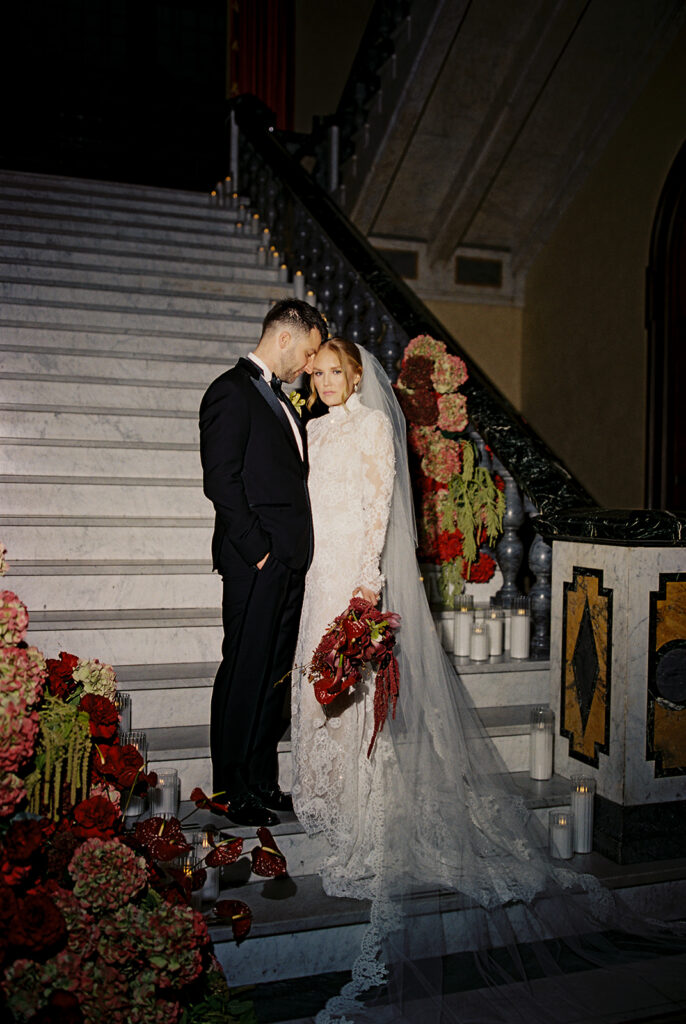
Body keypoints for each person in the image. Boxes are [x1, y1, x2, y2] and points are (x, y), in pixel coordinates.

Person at [292, 339, 683, 1024]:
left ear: (356, 376)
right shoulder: (315, 427)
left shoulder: (373, 425)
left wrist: (365, 592)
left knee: (355, 695)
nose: (326, 383)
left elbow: (380, 512)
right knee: (314, 684)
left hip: (352, 579)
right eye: (318, 373)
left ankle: (362, 802)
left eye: (336, 372)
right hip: (313, 577)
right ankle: (325, 791)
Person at [199, 298, 327, 827]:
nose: (310, 365)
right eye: (310, 351)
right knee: (245, 671)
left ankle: (262, 781)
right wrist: (258, 552)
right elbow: (221, 481)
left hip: (287, 562)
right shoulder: (229, 391)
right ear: (284, 338)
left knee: (273, 676)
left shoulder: (282, 398)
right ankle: (233, 788)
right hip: (257, 561)